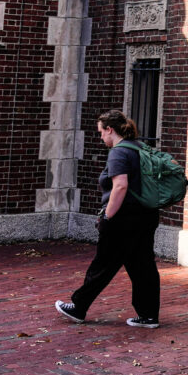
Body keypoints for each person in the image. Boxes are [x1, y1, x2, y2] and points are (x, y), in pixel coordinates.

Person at [54, 110, 160, 328]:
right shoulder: (140, 148)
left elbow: (120, 186)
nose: (101, 137)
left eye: (101, 132)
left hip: (123, 219)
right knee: (143, 266)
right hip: (146, 216)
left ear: (110, 130)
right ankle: (148, 315)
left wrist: (107, 217)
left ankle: (79, 307)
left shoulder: (119, 153)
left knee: (103, 264)